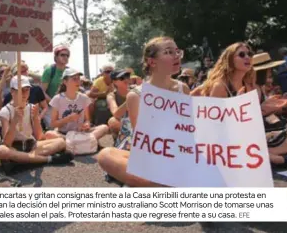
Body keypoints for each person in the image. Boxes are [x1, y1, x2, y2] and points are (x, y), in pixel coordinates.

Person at [98, 36, 189, 187]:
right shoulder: (136, 95)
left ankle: (155, 183)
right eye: (169, 52)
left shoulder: (183, 89)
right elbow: (143, 141)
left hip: (179, 154)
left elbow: (188, 129)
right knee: (105, 155)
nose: (176, 56)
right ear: (152, 61)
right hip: (154, 156)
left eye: (177, 51)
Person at [0, 75, 73, 168]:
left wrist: (36, 118)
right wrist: (15, 120)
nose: (24, 93)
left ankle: (24, 160)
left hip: (31, 145)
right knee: (1, 150)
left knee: (61, 142)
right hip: (14, 147)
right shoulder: (5, 111)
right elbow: (7, 143)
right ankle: (48, 159)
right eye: (20, 90)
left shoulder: (32, 107)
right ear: (12, 91)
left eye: (27, 89)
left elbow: (40, 137)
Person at [50, 69, 109, 140]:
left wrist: (86, 125)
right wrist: (68, 119)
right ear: (65, 82)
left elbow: (87, 120)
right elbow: (53, 124)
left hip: (81, 132)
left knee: (104, 127)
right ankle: (80, 141)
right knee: (49, 134)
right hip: (64, 133)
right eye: (74, 79)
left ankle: (72, 143)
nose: (78, 81)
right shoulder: (57, 99)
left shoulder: (84, 98)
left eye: (78, 79)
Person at [41, 45, 70, 129]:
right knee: (54, 128)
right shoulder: (49, 70)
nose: (65, 57)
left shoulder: (69, 71)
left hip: (66, 106)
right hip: (51, 107)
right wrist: (54, 103)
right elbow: (42, 91)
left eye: (67, 55)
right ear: (56, 57)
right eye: (62, 55)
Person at [107, 69, 131, 135]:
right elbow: (116, 114)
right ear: (114, 82)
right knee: (112, 121)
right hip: (124, 122)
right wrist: (130, 100)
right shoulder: (112, 95)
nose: (126, 79)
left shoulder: (136, 91)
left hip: (137, 120)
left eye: (127, 76)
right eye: (122, 78)